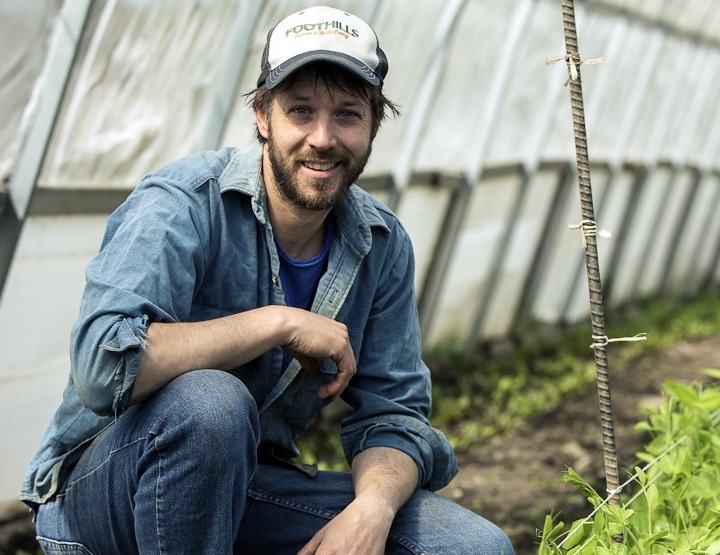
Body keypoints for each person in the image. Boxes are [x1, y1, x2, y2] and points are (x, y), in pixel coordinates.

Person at [21, 5, 514, 554]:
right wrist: (277, 323)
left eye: (348, 115)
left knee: (471, 546)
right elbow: (102, 366)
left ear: (375, 124)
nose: (323, 138)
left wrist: (369, 511)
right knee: (210, 403)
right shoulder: (183, 204)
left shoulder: (380, 242)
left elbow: (394, 413)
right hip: (103, 496)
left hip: (243, 488)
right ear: (262, 115)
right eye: (300, 110)